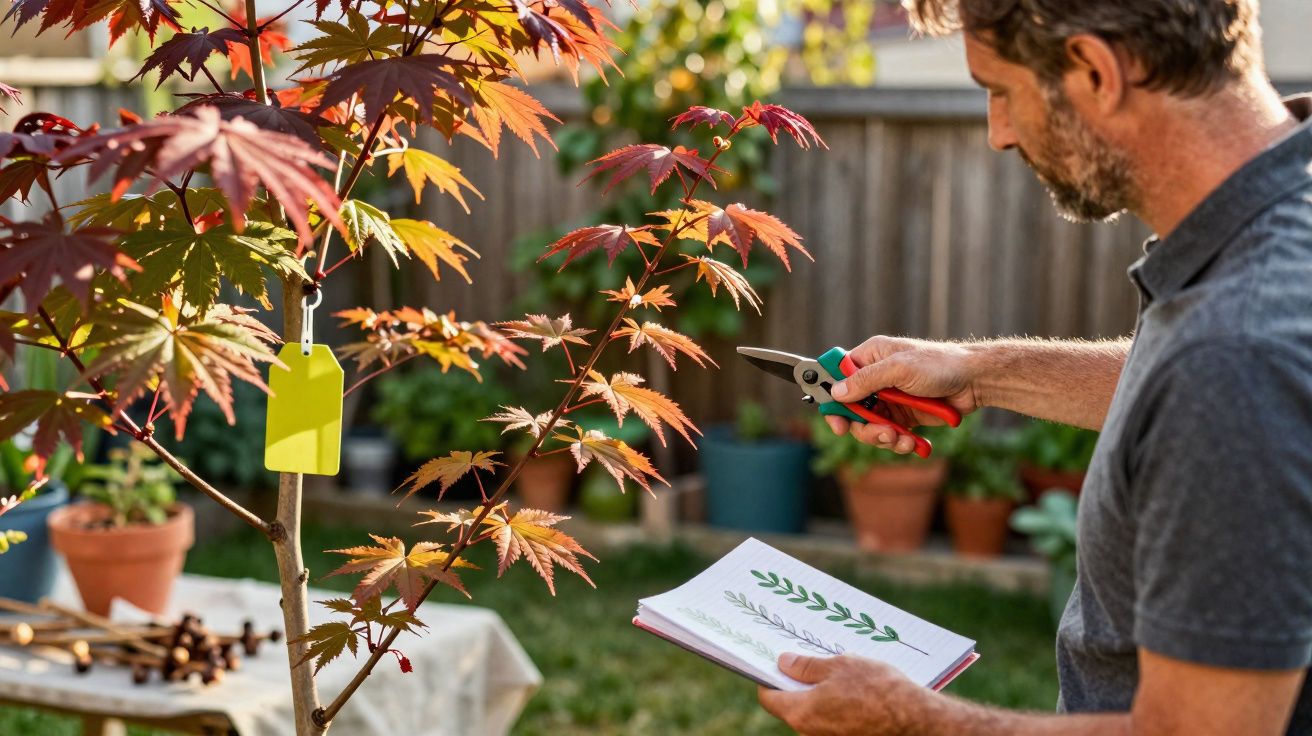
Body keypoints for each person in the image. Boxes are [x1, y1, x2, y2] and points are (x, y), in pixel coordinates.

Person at [757, 1, 1312, 734]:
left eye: (1000, 90)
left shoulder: (1232, 355)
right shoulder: (1277, 229)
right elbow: (1195, 394)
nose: (998, 133)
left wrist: (911, 720)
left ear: (1095, 71)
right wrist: (980, 372)